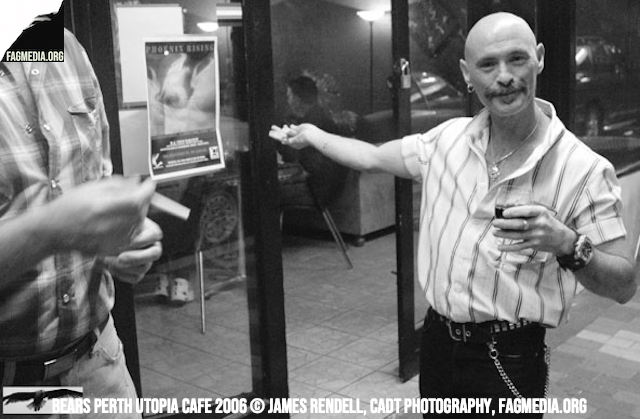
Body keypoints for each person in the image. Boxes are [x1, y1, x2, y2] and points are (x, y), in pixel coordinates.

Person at [270, 12, 637, 417]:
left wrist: (567, 244)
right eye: (487, 64)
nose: (504, 76)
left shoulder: (583, 169)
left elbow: (624, 285)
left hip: (509, 357)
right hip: (438, 344)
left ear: (539, 58)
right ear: (467, 74)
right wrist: (313, 135)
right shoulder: (446, 141)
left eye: (517, 59)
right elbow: (371, 156)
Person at [0, 28, 162, 418]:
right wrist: (53, 229)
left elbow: (94, 179)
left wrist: (116, 245)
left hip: (98, 364)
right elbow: (63, 222)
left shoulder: (65, 47)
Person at [277, 75, 348, 208]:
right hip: (321, 187)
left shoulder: (317, 126)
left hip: (318, 190)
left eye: (289, 97)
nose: (287, 101)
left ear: (297, 100)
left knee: (265, 192)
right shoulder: (313, 119)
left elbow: (312, 166)